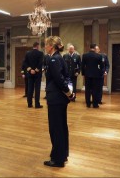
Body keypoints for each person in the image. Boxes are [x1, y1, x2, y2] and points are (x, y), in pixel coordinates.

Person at [44, 36, 75, 168]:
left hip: (56, 98)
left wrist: (68, 93)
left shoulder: (53, 59)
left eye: (46, 45)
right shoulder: (60, 57)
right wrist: (69, 92)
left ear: (51, 46)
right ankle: (62, 155)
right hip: (60, 98)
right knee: (61, 127)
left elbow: (59, 80)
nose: (45, 47)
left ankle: (57, 160)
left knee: (56, 129)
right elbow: (67, 77)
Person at [81, 43, 104, 108]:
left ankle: (88, 104)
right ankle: (95, 104)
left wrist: (83, 73)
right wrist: (100, 73)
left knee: (87, 90)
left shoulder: (85, 55)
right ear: (95, 48)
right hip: (96, 75)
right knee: (95, 90)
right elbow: (102, 66)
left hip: (87, 75)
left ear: (90, 47)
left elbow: (82, 66)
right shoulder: (99, 56)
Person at [23, 42, 44, 108]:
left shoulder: (28, 53)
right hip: (37, 74)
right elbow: (41, 63)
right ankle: (37, 104)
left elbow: (25, 63)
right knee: (37, 89)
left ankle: (29, 104)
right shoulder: (40, 53)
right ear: (37, 46)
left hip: (30, 74)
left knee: (30, 89)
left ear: (33, 46)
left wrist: (30, 70)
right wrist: (36, 70)